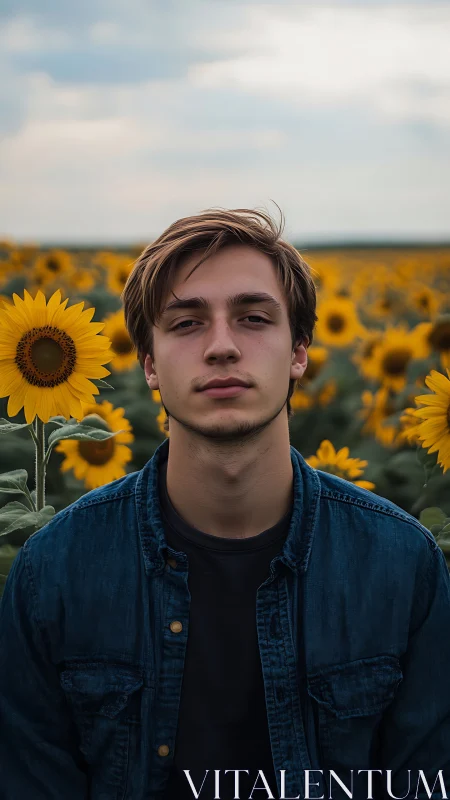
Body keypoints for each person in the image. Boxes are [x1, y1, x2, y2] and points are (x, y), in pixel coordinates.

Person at [0, 208, 449, 800]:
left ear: (299, 352)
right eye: (186, 324)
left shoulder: (402, 564)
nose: (221, 346)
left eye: (254, 318)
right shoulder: (52, 572)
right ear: (150, 366)